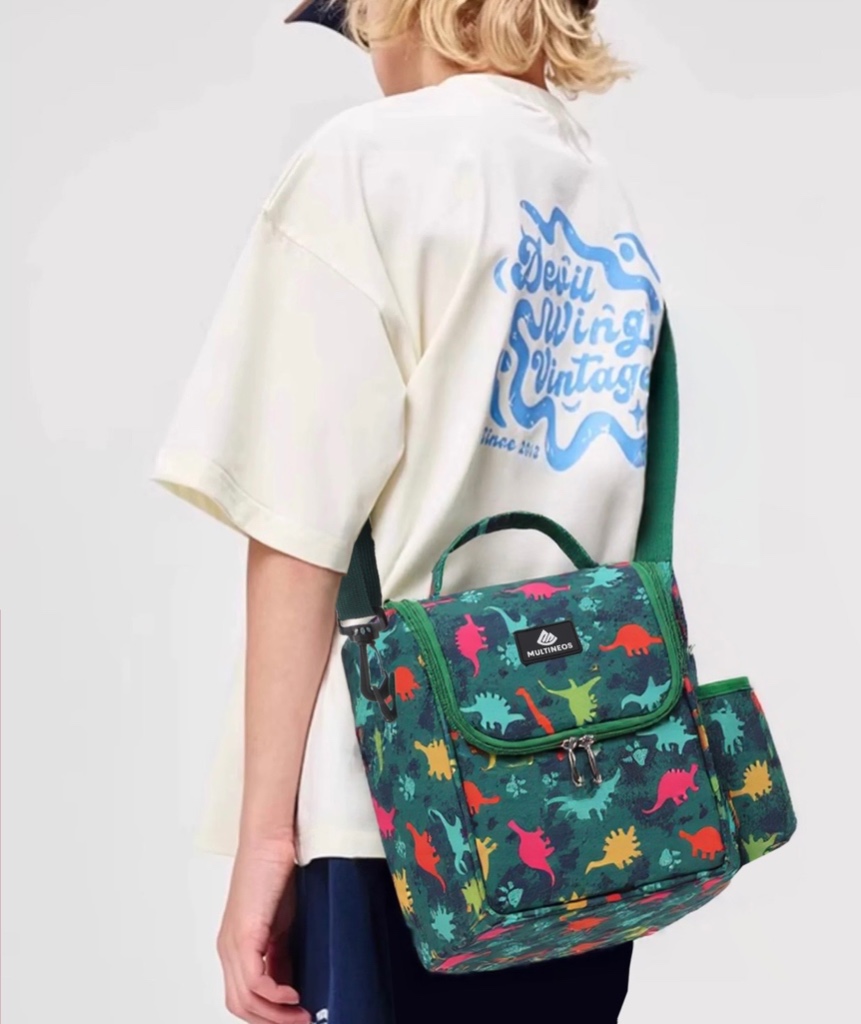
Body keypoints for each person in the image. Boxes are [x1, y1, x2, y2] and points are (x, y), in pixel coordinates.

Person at [153, 1, 666, 1020]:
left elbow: (299, 527)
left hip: (400, 806)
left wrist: (267, 841)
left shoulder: (369, 162)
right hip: (581, 800)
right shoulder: (594, 186)